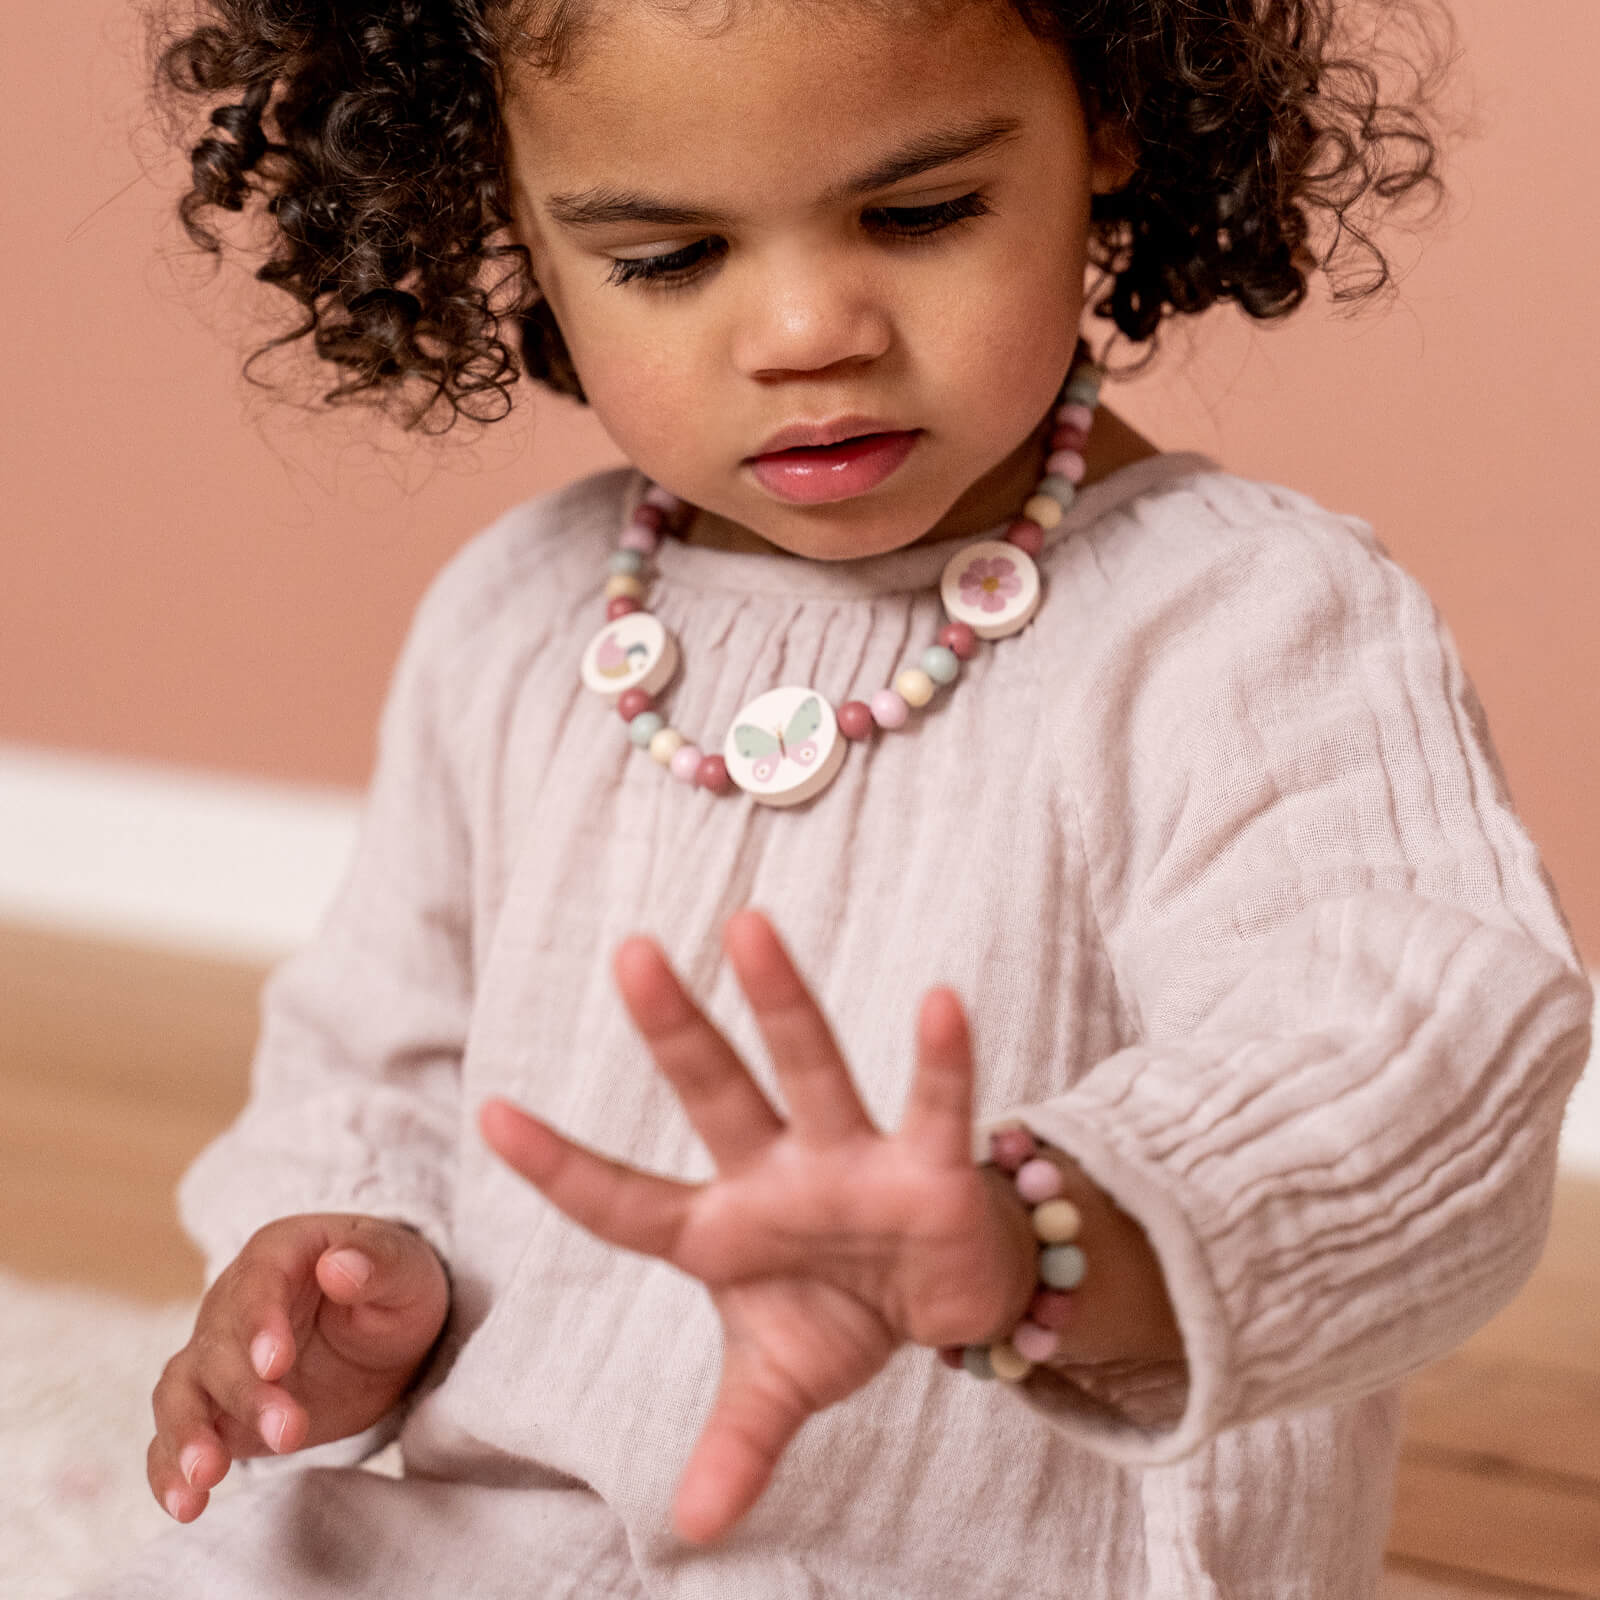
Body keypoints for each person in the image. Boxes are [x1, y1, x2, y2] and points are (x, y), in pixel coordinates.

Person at [100, 0, 1591, 1594]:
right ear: (507, 224)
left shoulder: (1247, 627)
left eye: (923, 211)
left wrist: (1026, 1237)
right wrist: (347, 1274)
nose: (809, 329)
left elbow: (1408, 1064)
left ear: (1115, 123)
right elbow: (376, 1044)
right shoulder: (517, 618)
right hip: (526, 1541)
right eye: (666, 257)